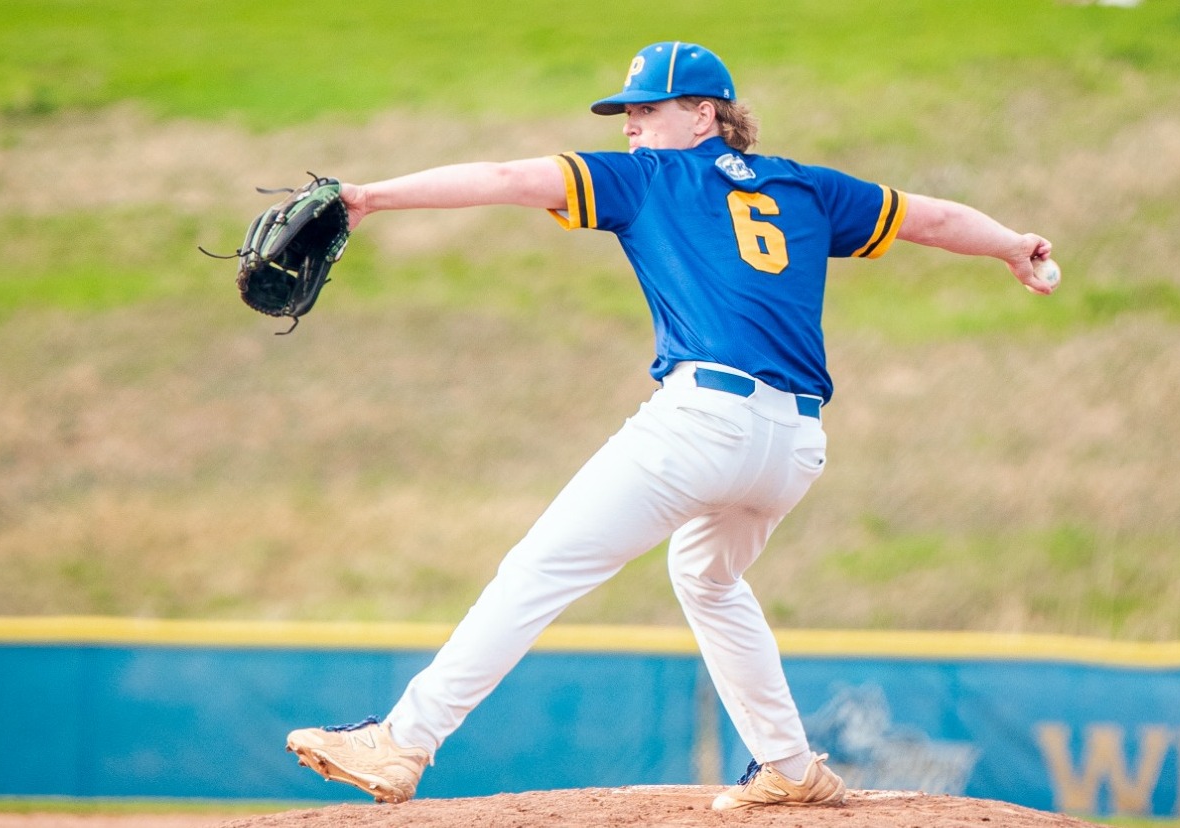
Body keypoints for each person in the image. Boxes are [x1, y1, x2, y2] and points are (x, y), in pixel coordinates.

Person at [286, 41, 1054, 810]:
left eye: (647, 110)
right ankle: (786, 765)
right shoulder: (806, 187)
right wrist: (1012, 246)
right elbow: (935, 217)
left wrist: (370, 196)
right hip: (791, 444)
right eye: (626, 114)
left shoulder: (647, 177)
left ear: (703, 114)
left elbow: (505, 179)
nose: (630, 127)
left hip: (703, 422)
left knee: (539, 569)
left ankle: (402, 741)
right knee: (709, 578)